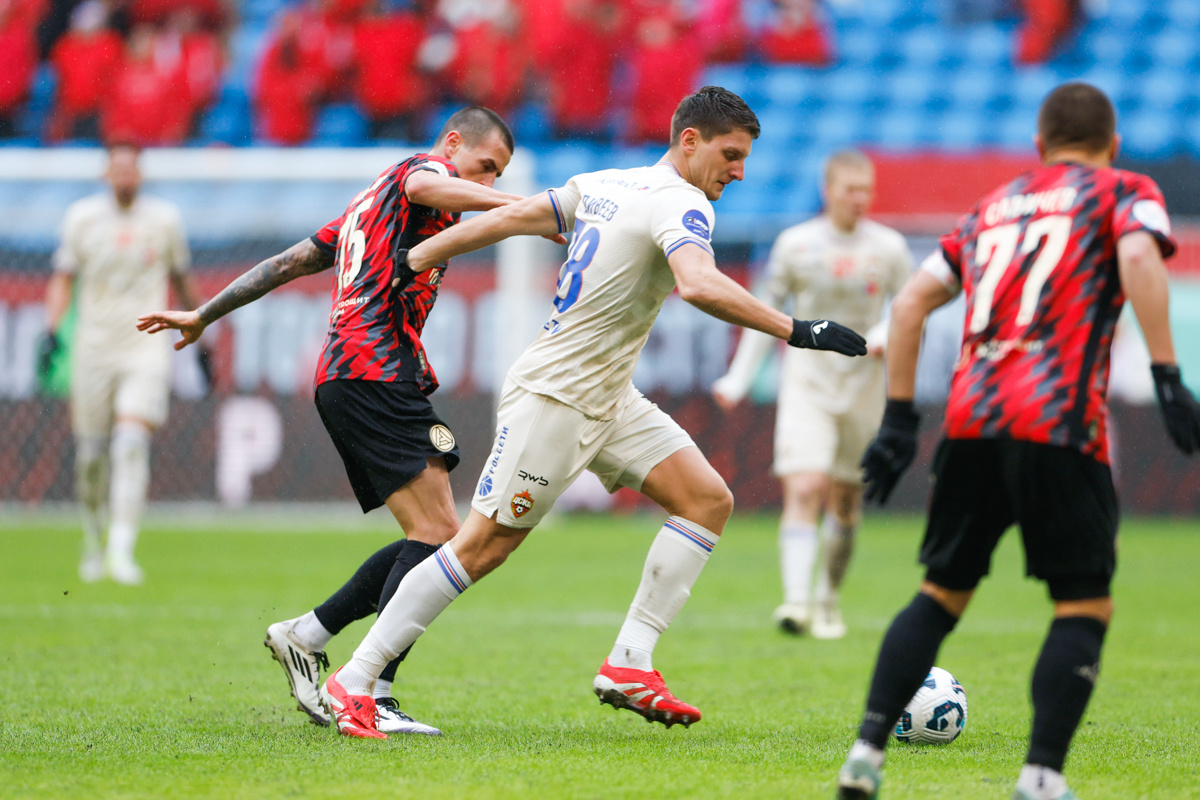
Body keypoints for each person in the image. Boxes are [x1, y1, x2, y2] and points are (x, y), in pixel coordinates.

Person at [316, 86, 868, 739]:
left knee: (705, 500)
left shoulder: (604, 183)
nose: (740, 171)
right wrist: (797, 330)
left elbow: (518, 216)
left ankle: (630, 662)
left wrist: (422, 255)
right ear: (689, 141)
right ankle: (354, 680)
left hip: (609, 395)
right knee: (481, 546)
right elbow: (696, 283)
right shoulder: (683, 202)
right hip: (559, 396)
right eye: (731, 154)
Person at [835, 82, 1200, 800]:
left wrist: (900, 418)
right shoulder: (1123, 189)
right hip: (1058, 419)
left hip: (971, 419)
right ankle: (1040, 776)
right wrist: (1167, 375)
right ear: (1112, 144)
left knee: (940, 594)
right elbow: (1138, 259)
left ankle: (865, 754)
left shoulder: (991, 207)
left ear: (1039, 146)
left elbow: (909, 305)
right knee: (1082, 604)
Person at [138, 107, 552, 736]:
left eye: (498, 176)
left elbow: (287, 264)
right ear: (452, 144)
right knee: (441, 536)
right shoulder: (420, 173)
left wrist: (204, 313)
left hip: (353, 374)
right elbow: (428, 183)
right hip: (372, 369)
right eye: (486, 167)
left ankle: (310, 636)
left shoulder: (366, 207)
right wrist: (528, 208)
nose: (489, 183)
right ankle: (370, 690)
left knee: (435, 534)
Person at [712, 150, 913, 639]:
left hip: (863, 386)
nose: (859, 199)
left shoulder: (888, 247)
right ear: (829, 191)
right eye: (850, 190)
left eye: (866, 190)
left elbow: (908, 306)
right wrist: (739, 377)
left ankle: (828, 600)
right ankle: (796, 602)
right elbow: (766, 312)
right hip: (807, 381)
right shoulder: (796, 245)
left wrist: (884, 334)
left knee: (845, 500)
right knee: (804, 486)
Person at [43, 143, 201, 585]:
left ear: (141, 174)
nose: (125, 175)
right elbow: (63, 279)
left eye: (132, 168)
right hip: (93, 349)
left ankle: (121, 549)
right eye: (118, 168)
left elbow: (182, 279)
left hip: (144, 347)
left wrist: (202, 329)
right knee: (91, 456)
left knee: (130, 442)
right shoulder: (82, 219)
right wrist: (52, 331)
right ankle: (93, 539)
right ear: (106, 174)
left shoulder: (164, 220)